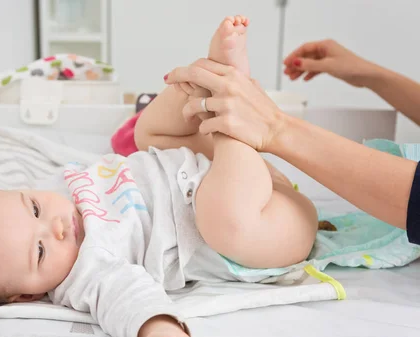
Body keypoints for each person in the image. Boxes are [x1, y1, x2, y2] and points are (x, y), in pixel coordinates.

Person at [0, 16, 318, 337]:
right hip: (267, 222)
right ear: (26, 296)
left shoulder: (52, 188)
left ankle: (207, 80)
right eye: (40, 251)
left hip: (212, 168)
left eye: (34, 209)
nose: (56, 226)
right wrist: (160, 333)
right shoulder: (84, 274)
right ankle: (232, 115)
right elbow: (128, 300)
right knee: (223, 220)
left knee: (146, 135)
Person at [162, 38, 420, 244]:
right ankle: (214, 82)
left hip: (195, 206)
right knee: (155, 135)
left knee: (244, 223)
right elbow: (148, 136)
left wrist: (275, 128)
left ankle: (219, 92)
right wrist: (373, 75)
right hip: (159, 180)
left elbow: (236, 226)